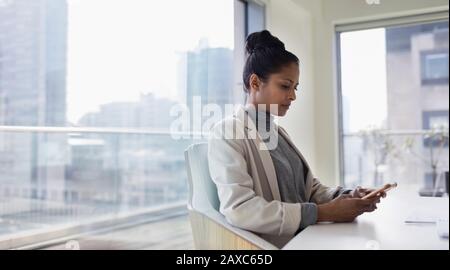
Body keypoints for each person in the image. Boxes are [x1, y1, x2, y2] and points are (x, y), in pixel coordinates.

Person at [207, 30, 385, 248]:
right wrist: (322, 213)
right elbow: (240, 209)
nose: (292, 96)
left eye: (295, 88)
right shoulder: (227, 133)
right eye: (285, 86)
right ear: (255, 83)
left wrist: (347, 195)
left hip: (309, 238)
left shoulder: (278, 134)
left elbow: (308, 190)